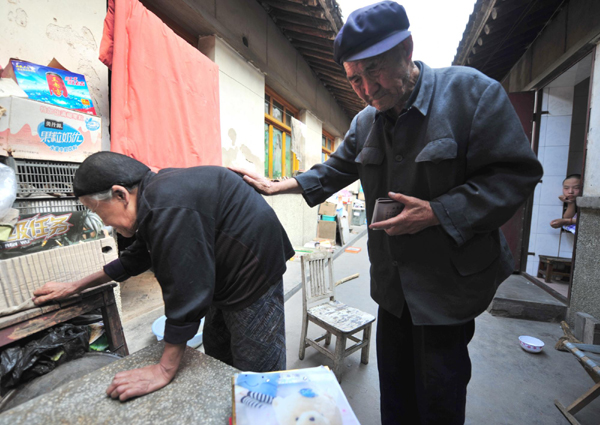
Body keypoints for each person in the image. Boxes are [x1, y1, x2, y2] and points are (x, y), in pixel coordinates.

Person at [230, 2, 543, 424]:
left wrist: (437, 211)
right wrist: (275, 185)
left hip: (447, 287)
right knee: (394, 396)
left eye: (373, 71)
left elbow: (516, 175)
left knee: (439, 397)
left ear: (407, 50)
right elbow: (334, 169)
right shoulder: (365, 122)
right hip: (393, 289)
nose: (366, 89)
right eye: (354, 79)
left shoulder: (471, 94)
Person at [32, 152, 294, 401]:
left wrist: (164, 369)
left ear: (120, 194)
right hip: (224, 272)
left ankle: (264, 410)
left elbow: (185, 290)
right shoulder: (154, 198)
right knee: (218, 349)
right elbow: (136, 257)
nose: (106, 223)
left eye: (99, 212)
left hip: (254, 271)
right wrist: (75, 286)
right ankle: (230, 402)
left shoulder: (165, 205)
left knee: (258, 370)